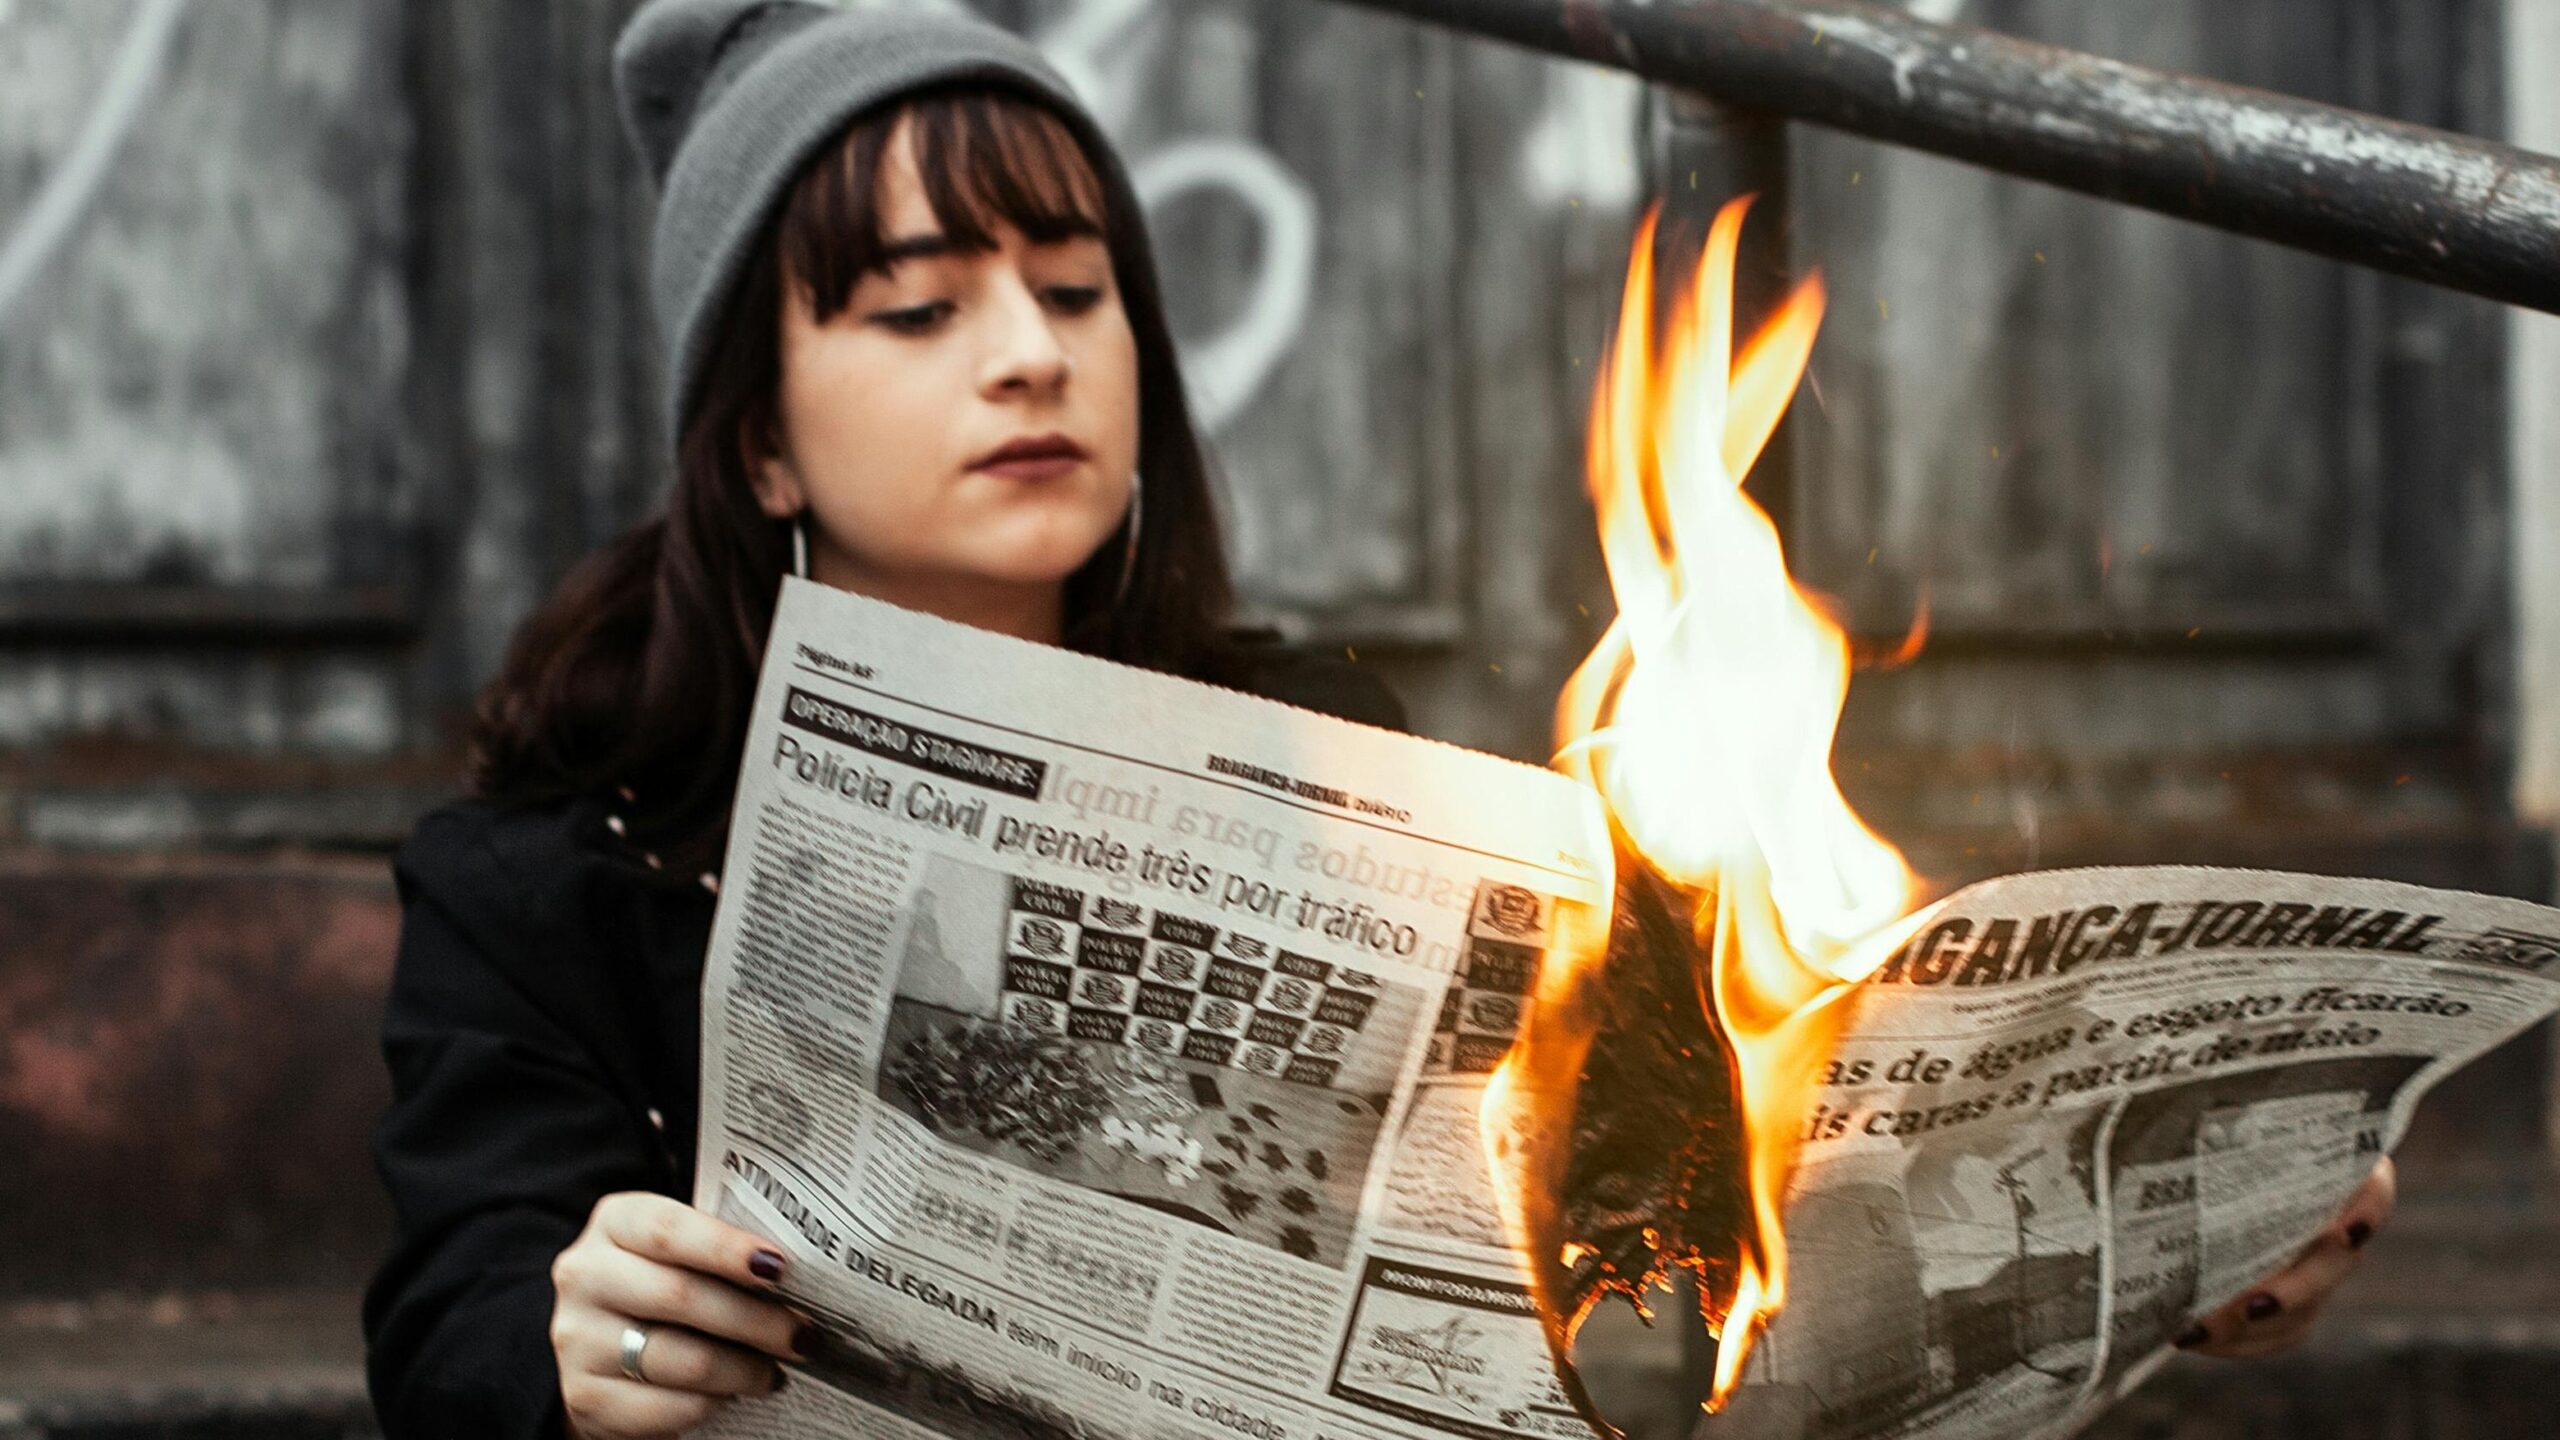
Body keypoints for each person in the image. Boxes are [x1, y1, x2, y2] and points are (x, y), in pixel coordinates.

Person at [358, 4, 2394, 1437]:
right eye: (915, 308)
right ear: (760, 447)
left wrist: (2172, 1234)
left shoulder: (1317, 749)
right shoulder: (552, 868)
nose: (1023, 359)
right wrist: (562, 1345)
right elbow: (451, 1305)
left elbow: (1633, 1170)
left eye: (1074, 294)